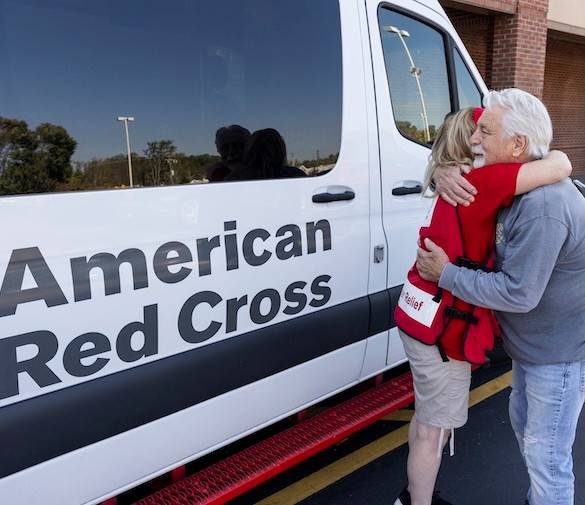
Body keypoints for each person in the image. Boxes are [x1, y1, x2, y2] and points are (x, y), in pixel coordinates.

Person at [394, 102, 573, 505]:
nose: (481, 137)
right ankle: (416, 502)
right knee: (432, 429)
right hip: (441, 330)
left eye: (485, 131)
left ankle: (414, 494)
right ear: (467, 144)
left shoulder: (455, 183)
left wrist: (441, 168)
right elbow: (557, 165)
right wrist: (557, 153)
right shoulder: (483, 183)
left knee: (426, 418)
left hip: (421, 316)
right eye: (480, 131)